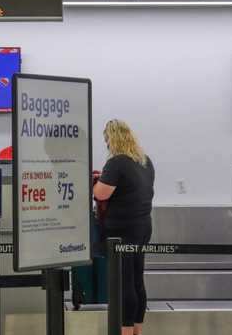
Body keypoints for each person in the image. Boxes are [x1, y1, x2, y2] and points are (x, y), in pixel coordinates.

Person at [94, 120, 155, 335]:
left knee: (123, 283)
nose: (107, 144)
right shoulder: (145, 161)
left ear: (113, 139)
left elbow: (100, 194)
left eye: (107, 140)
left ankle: (125, 331)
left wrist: (94, 182)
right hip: (142, 227)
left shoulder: (117, 162)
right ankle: (136, 329)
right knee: (137, 278)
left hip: (121, 232)